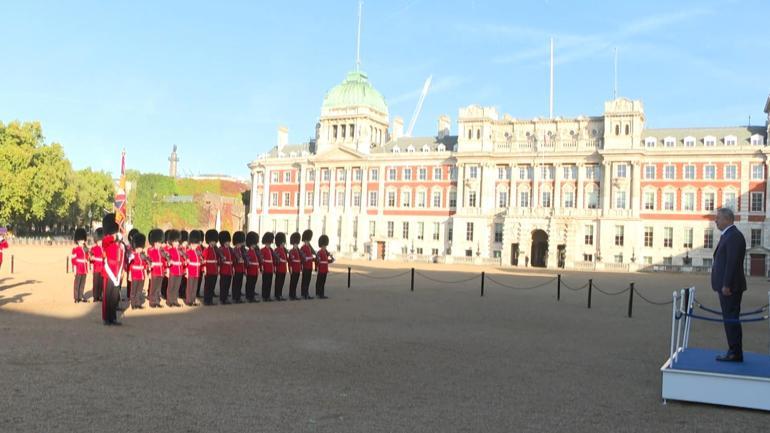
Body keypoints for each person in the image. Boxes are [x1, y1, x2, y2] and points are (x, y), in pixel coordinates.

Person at [711, 207, 747, 362]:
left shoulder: (733, 236)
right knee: (729, 318)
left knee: (731, 319)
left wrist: (726, 285)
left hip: (730, 288)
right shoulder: (728, 235)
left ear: (727, 219)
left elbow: (732, 263)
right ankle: (733, 350)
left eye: (718, 218)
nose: (716, 220)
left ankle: (735, 352)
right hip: (727, 287)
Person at [101, 213, 125, 326]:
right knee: (107, 296)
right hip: (109, 272)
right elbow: (105, 241)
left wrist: (122, 271)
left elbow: (122, 259)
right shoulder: (108, 241)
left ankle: (113, 317)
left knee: (114, 297)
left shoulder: (120, 245)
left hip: (117, 272)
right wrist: (115, 237)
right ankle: (106, 317)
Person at [146, 229, 166, 308]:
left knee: (158, 287)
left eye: (160, 243)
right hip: (154, 271)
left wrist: (165, 268)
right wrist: (149, 270)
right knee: (153, 287)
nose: (158, 244)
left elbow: (163, 261)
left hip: (161, 271)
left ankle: (157, 301)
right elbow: (149, 261)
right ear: (154, 242)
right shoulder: (150, 250)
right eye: (157, 242)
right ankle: (152, 301)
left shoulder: (162, 251)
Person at [128, 232, 148, 309]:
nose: (139, 249)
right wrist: (130, 275)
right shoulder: (132, 255)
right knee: (134, 290)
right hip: (134, 274)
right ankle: (133, 304)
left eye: (140, 248)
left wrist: (145, 272)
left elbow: (145, 265)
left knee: (139, 290)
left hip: (141, 274)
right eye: (138, 248)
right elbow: (130, 266)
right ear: (135, 247)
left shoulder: (143, 255)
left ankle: (138, 303)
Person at [165, 230, 184, 308]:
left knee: (177, 286)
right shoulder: (169, 250)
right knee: (171, 286)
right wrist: (168, 265)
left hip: (179, 270)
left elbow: (182, 260)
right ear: (171, 242)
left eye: (177, 242)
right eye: (175, 242)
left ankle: (175, 300)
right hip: (173, 270)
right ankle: (169, 301)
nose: (177, 243)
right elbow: (167, 260)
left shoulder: (180, 251)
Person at [71, 228, 89, 303]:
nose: (82, 241)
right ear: (77, 241)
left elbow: (87, 258)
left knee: (82, 283)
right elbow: (73, 260)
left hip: (84, 268)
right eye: (81, 240)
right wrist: (74, 269)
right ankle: (76, 297)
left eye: (83, 240)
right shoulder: (75, 249)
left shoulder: (85, 249)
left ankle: (81, 296)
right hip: (78, 268)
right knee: (77, 284)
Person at [184, 230, 202, 306]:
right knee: (190, 287)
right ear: (191, 244)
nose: (195, 246)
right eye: (194, 244)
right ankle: (189, 300)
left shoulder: (198, 251)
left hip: (197, 271)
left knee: (194, 287)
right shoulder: (188, 251)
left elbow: (200, 260)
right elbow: (186, 263)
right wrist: (186, 271)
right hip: (191, 271)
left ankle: (193, 299)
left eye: (196, 244)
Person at [202, 229, 219, 306]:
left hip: (214, 270)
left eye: (215, 241)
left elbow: (217, 260)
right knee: (207, 286)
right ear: (209, 241)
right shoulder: (206, 250)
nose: (214, 242)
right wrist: (204, 269)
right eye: (212, 241)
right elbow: (204, 260)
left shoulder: (216, 250)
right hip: (208, 270)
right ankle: (206, 300)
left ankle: (210, 300)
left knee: (212, 286)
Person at [315, 234, 334, 299]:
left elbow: (326, 261)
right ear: (322, 245)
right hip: (321, 269)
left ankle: (321, 293)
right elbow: (318, 260)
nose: (325, 247)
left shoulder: (325, 252)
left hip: (325, 269)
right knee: (320, 282)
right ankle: (319, 293)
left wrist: (331, 260)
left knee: (323, 282)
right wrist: (317, 267)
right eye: (325, 246)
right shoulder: (319, 252)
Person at [244, 231, 261, 303]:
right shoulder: (248, 252)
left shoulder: (255, 251)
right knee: (250, 284)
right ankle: (249, 296)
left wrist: (258, 268)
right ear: (251, 243)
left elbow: (257, 261)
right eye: (254, 243)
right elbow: (247, 262)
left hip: (255, 270)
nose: (255, 245)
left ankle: (251, 295)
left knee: (253, 284)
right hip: (250, 270)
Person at [218, 231, 233, 304]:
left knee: (227, 285)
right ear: (223, 242)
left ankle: (226, 297)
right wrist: (222, 258)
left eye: (228, 241)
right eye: (227, 241)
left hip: (229, 270)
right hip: (224, 269)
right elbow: (220, 258)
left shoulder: (230, 249)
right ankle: (222, 298)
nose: (228, 243)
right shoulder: (221, 249)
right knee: (223, 285)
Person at [299, 230, 315, 300]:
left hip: (310, 266)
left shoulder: (309, 247)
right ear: (305, 240)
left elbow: (311, 255)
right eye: (308, 241)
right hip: (305, 266)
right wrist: (310, 257)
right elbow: (303, 257)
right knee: (304, 280)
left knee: (308, 280)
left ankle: (306, 293)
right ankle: (303, 293)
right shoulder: (303, 248)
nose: (309, 242)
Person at [89, 228, 104, 302]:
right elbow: (91, 258)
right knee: (96, 283)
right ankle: (95, 296)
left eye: (101, 241)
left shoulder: (104, 248)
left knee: (101, 283)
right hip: (96, 268)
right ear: (96, 240)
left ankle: (100, 295)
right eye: (99, 241)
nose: (100, 242)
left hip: (103, 268)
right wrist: (92, 259)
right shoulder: (94, 248)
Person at [231, 231, 246, 303]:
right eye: (240, 243)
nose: (241, 244)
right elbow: (233, 259)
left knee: (239, 284)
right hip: (236, 269)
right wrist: (238, 261)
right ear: (237, 242)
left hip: (241, 269)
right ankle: (235, 297)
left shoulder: (240, 250)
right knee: (236, 284)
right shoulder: (234, 250)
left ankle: (238, 296)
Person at [273, 232, 288, 301]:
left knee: (281, 282)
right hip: (279, 268)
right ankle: (277, 295)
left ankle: (280, 294)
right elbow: (276, 259)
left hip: (284, 269)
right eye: (283, 242)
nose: (284, 243)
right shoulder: (277, 250)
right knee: (278, 282)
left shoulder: (284, 250)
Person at [260, 232, 275, 302]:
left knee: (269, 283)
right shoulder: (262, 250)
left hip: (270, 268)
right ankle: (264, 296)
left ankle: (268, 295)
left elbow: (273, 259)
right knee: (265, 283)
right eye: (268, 243)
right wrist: (262, 267)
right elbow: (262, 260)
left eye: (269, 243)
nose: (268, 244)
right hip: (266, 268)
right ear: (265, 243)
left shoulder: (271, 250)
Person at [288, 232, 302, 300]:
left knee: (296, 282)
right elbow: (290, 260)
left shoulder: (299, 251)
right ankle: (291, 295)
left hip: (298, 268)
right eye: (295, 244)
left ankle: (294, 294)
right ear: (293, 244)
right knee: (292, 282)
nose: (296, 245)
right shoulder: (291, 251)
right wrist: (290, 268)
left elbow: (300, 260)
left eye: (297, 244)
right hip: (293, 268)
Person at [178, 230, 189, 300]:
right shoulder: (180, 248)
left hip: (186, 267)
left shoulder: (186, 248)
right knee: (181, 281)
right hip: (181, 267)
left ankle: (184, 293)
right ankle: (181, 293)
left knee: (185, 282)